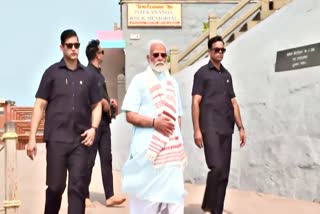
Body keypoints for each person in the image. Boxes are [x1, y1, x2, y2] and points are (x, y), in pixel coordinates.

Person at [26, 29, 102, 214]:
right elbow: (39, 105)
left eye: (77, 45)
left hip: (80, 141)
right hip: (57, 141)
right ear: (62, 47)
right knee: (55, 187)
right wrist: (31, 138)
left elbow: (97, 105)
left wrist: (93, 128)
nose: (74, 49)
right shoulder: (51, 73)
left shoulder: (88, 75)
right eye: (70, 45)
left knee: (77, 189)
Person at [121, 40, 187, 214]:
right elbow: (130, 115)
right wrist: (154, 123)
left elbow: (177, 117)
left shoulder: (173, 83)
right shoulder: (139, 81)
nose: (159, 58)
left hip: (171, 155)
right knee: (146, 203)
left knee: (174, 201)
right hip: (148, 153)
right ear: (148, 57)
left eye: (163, 55)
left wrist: (175, 141)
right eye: (155, 54)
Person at [191, 35, 246, 214]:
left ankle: (217, 211)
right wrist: (197, 130)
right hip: (209, 127)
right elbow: (195, 102)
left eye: (222, 50)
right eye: (217, 50)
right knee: (216, 167)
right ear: (209, 51)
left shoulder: (227, 75)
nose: (220, 52)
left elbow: (234, 103)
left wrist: (241, 127)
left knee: (224, 174)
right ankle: (208, 202)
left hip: (226, 128)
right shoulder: (201, 74)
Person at [84, 39, 126, 207]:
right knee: (89, 160)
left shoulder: (100, 75)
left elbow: (103, 98)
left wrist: (111, 103)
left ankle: (109, 196)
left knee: (107, 159)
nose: (103, 54)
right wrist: (102, 101)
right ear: (96, 54)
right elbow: (86, 98)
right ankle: (84, 195)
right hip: (92, 125)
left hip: (105, 124)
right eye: (102, 52)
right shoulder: (87, 74)